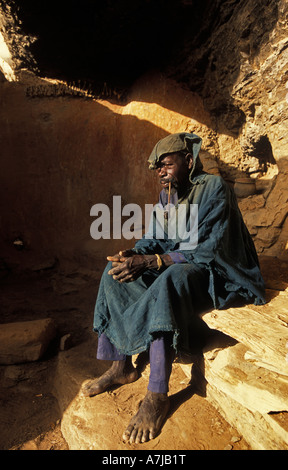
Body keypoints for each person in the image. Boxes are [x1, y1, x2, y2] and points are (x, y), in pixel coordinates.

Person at [82, 132, 266, 444]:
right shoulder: (168, 195)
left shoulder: (214, 188)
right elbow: (158, 237)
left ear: (189, 161)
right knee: (112, 272)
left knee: (172, 279)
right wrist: (135, 254)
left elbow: (210, 249)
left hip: (222, 270)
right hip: (183, 261)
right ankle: (122, 365)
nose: (162, 172)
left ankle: (156, 396)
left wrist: (153, 262)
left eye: (167, 164)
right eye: (158, 168)